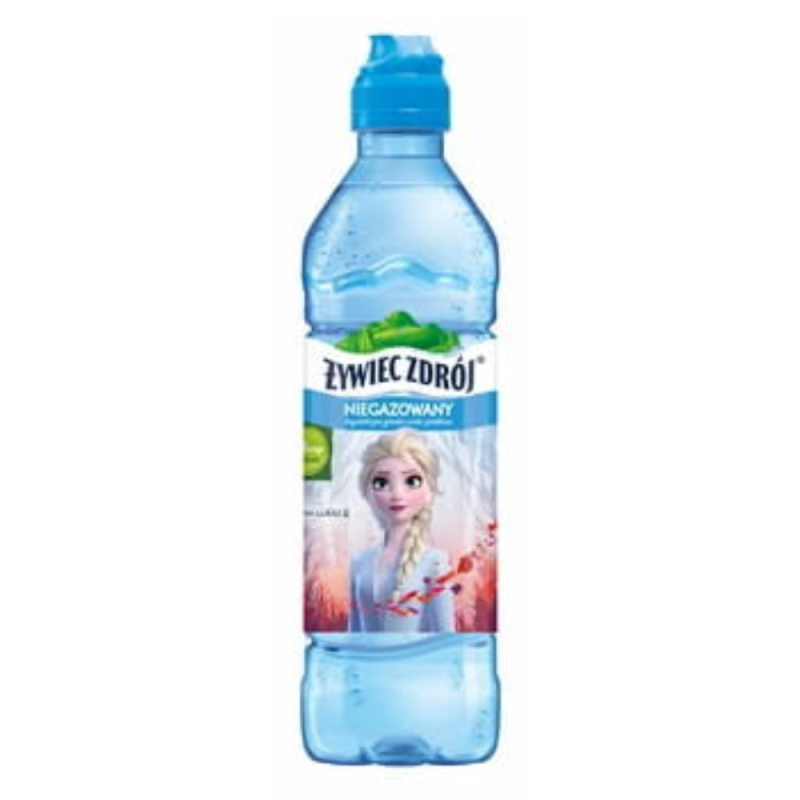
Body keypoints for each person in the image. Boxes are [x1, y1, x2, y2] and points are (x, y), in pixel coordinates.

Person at [349, 429, 455, 633]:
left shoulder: (435, 563)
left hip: (418, 656)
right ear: (366, 492)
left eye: (412, 481)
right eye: (381, 482)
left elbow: (446, 635)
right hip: (361, 654)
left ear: (430, 490)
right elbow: (352, 630)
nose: (397, 494)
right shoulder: (359, 562)